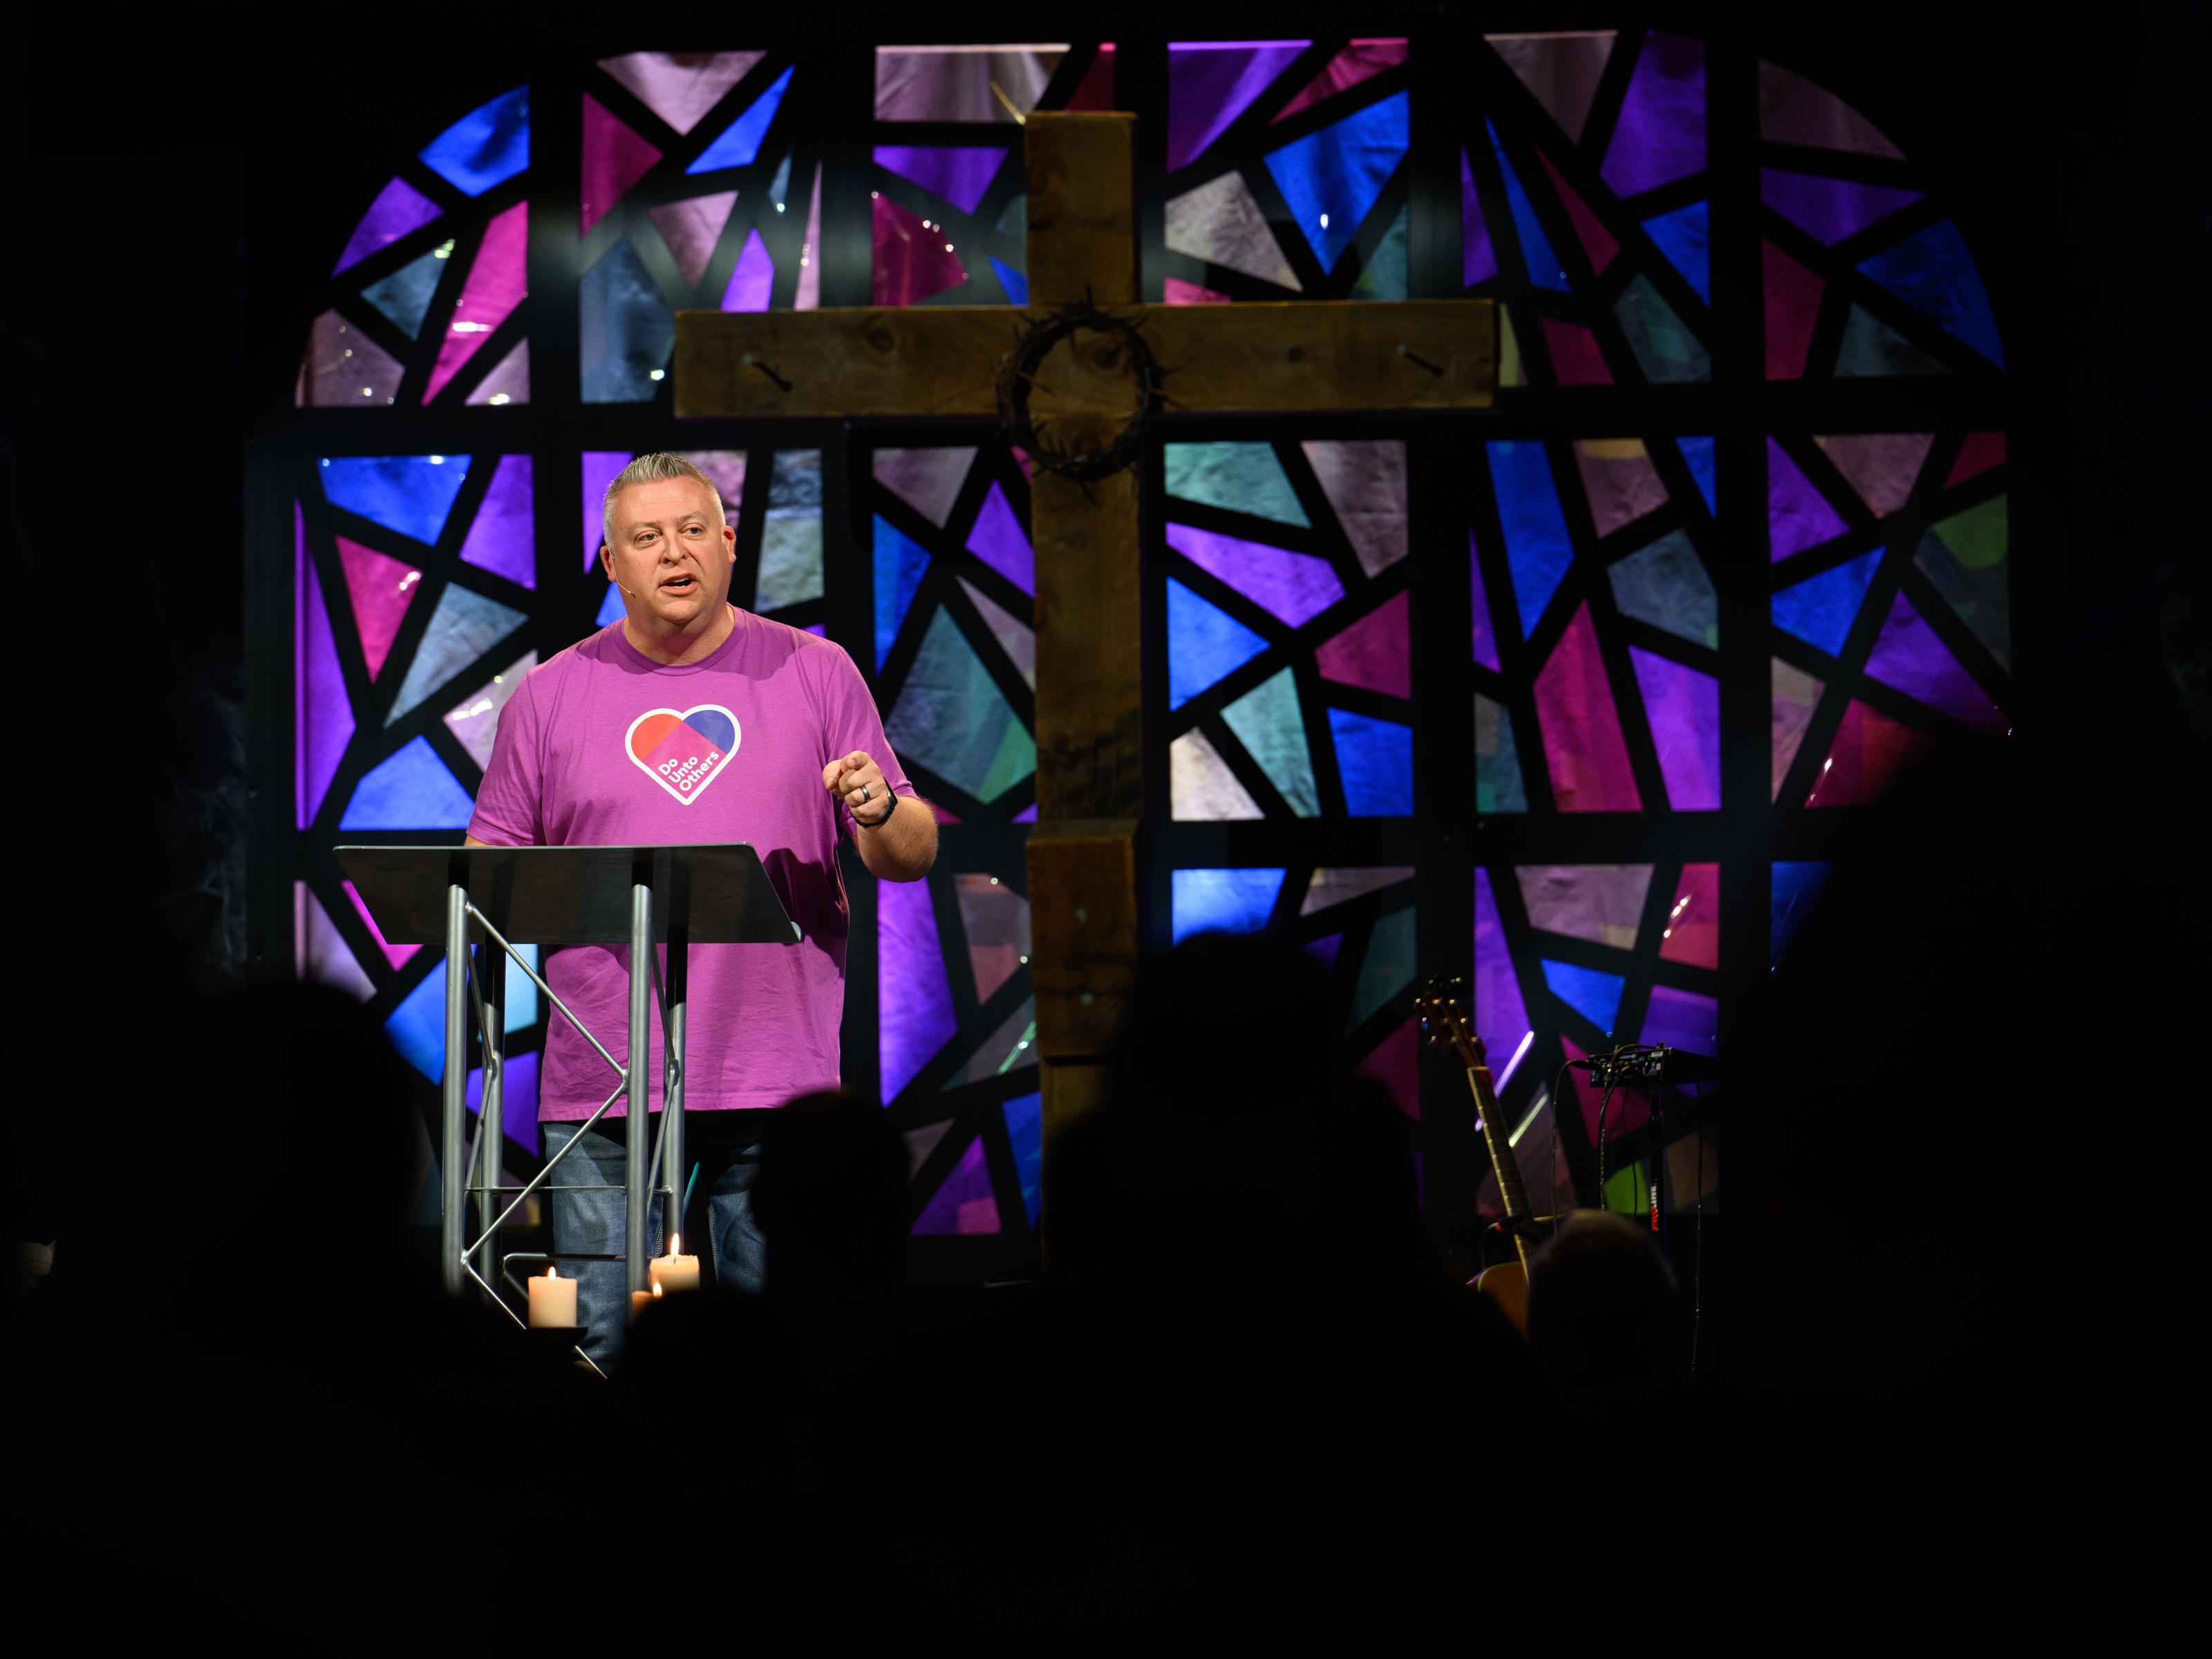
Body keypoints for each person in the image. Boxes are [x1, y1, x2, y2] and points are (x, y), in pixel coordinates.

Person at [465, 453, 936, 1364]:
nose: (672, 553)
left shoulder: (816, 670)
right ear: (612, 564)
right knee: (599, 1342)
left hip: (775, 1079)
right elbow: (491, 874)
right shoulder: (549, 695)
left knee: (789, 1341)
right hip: (602, 1080)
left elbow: (909, 854)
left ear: (728, 544)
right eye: (645, 538)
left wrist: (878, 808)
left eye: (691, 531)